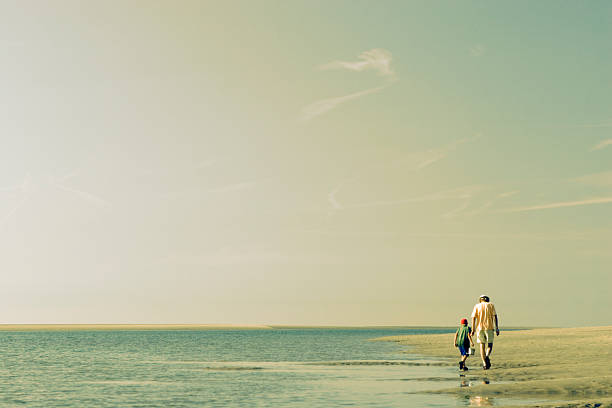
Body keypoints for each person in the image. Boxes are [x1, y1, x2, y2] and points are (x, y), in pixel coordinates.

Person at [471, 294, 499, 370]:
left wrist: (473, 329)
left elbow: (473, 318)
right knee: (490, 344)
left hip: (479, 328)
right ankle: (487, 356)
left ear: (480, 299)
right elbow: (495, 316)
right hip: (489, 327)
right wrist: (497, 328)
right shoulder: (491, 305)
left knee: (482, 345)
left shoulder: (477, 306)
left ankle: (484, 363)